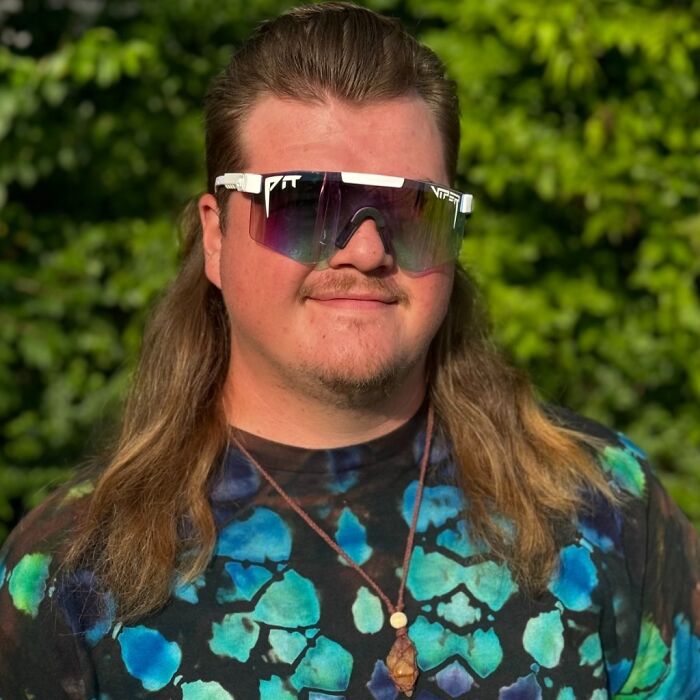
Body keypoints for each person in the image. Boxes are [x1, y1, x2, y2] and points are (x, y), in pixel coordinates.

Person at [1, 3, 698, 698]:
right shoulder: (70, 578)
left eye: (412, 210)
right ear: (216, 237)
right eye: (305, 205)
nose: (365, 250)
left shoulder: (605, 510)